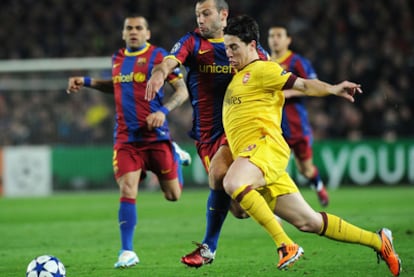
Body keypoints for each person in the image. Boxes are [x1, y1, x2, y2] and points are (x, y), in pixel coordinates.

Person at [221, 14, 401, 276]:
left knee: (233, 182)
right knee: (310, 222)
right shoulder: (237, 77)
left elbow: (303, 84)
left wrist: (333, 89)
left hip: (264, 148)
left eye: (234, 47)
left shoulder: (263, 69)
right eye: (226, 47)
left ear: (251, 45)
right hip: (257, 161)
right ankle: (379, 242)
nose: (228, 53)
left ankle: (286, 246)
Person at [146, 0, 269, 268]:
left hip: (238, 127)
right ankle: (273, 199)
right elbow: (169, 61)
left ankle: (208, 248)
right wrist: (158, 73)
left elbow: (269, 71)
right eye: (197, 14)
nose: (200, 19)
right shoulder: (192, 42)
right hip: (206, 135)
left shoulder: (242, 44)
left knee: (218, 173)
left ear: (223, 15)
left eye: (205, 13)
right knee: (238, 210)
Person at [67, 15, 191, 269]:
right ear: (123, 33)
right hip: (126, 139)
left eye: (138, 28)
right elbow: (114, 87)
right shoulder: (117, 58)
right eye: (129, 28)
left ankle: (175, 155)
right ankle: (127, 251)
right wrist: (87, 82)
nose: (133, 32)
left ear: (148, 33)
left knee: (173, 196)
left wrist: (163, 112)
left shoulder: (159, 57)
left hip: (156, 138)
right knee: (127, 189)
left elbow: (182, 91)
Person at [268, 25, 329, 207]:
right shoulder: (264, 62)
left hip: (296, 126)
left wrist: (288, 93)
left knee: (306, 170)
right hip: (274, 126)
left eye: (279, 35)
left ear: (288, 40)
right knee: (273, 169)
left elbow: (313, 86)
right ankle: (275, 208)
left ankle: (318, 186)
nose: (275, 39)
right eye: (271, 36)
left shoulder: (297, 62)